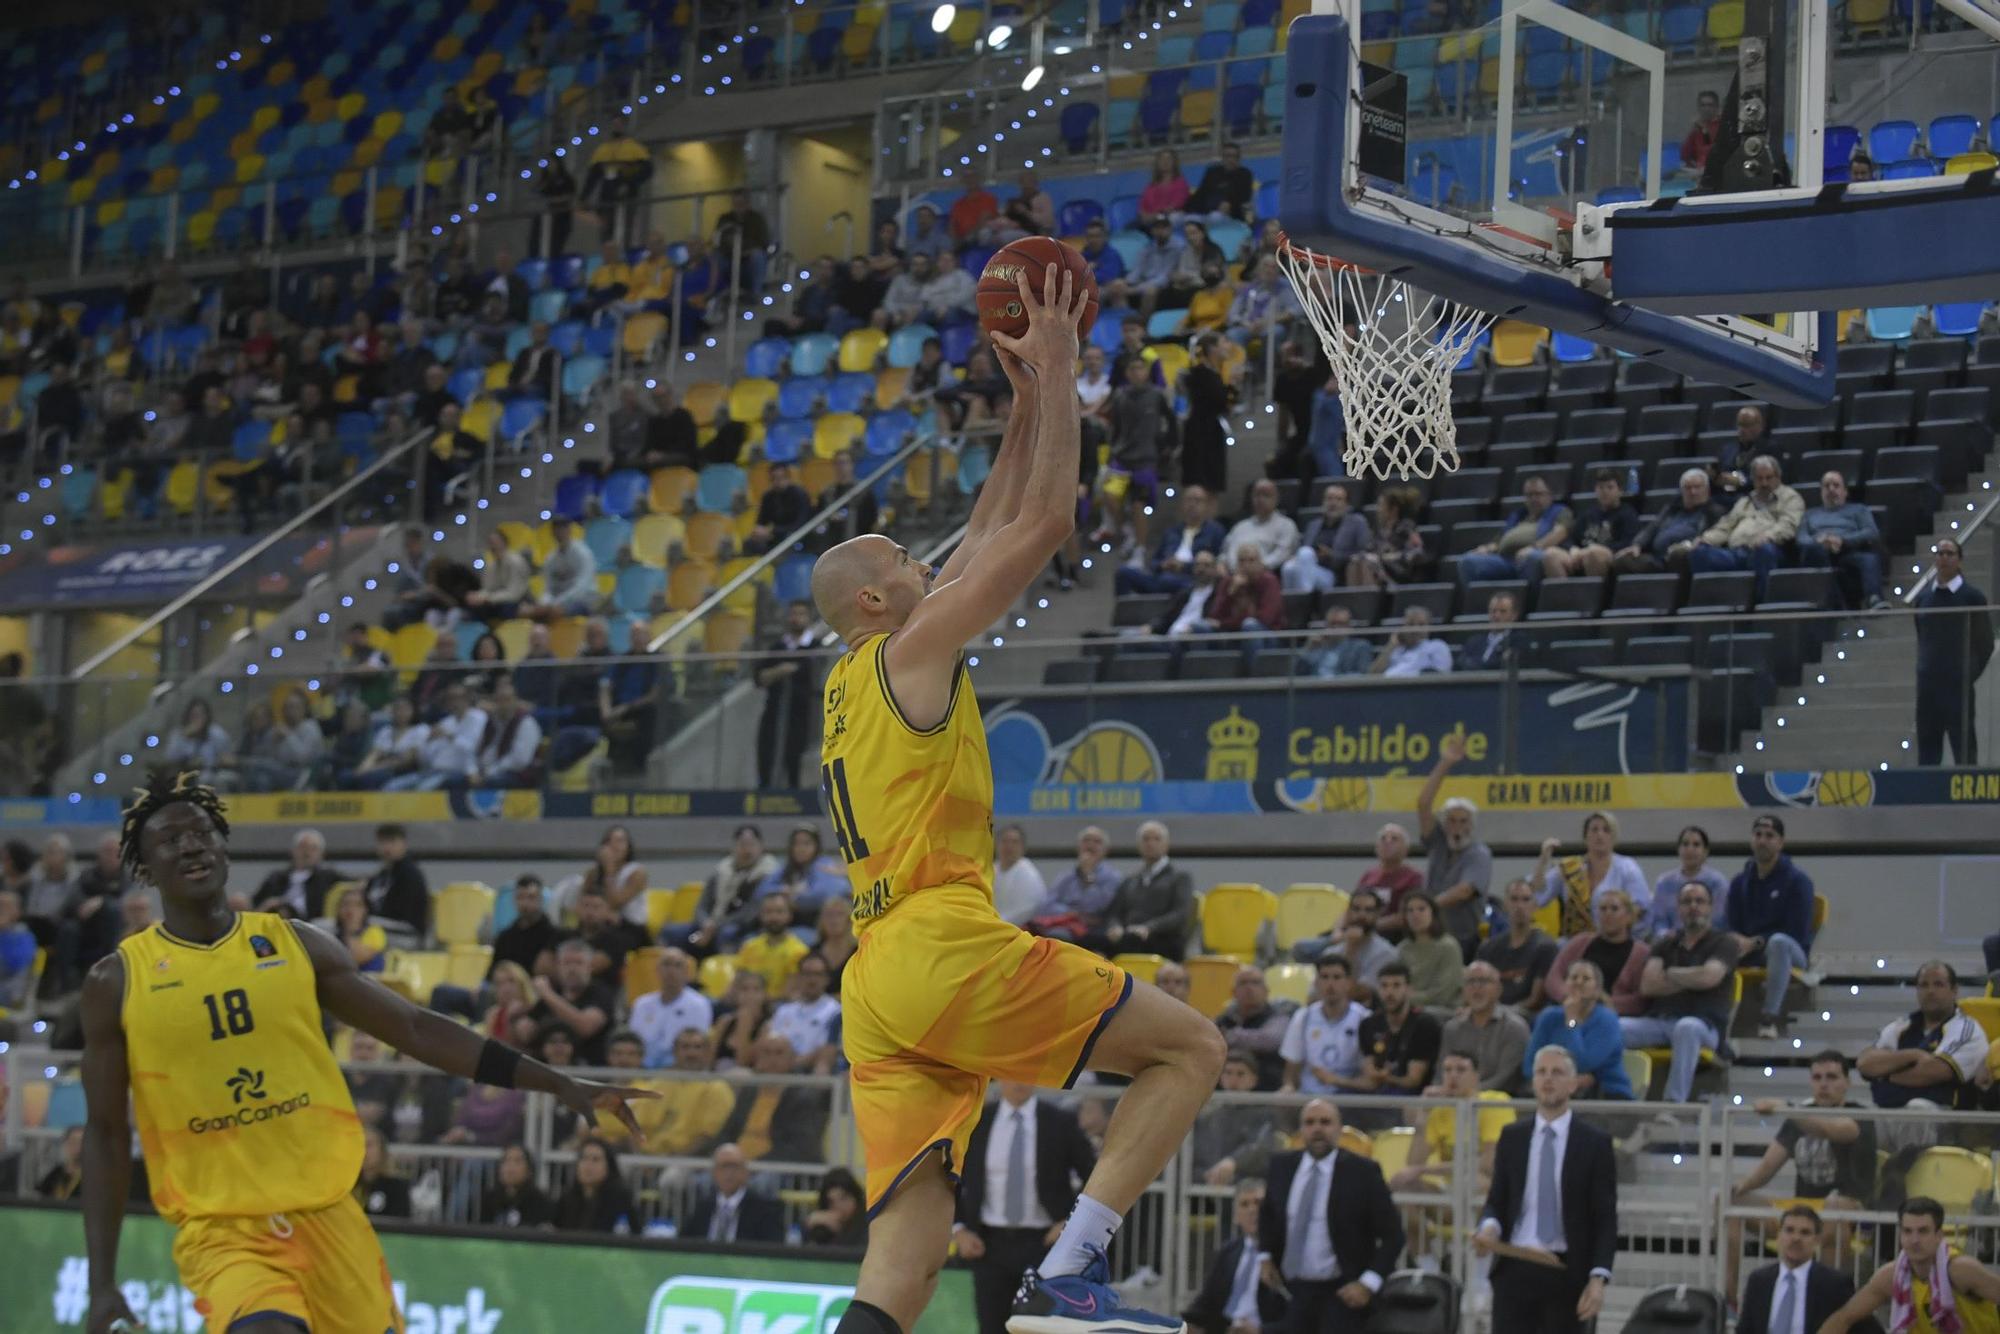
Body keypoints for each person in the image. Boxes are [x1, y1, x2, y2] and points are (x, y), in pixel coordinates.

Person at [809, 264, 1224, 1334]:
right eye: (906, 557)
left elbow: (987, 521)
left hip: (876, 974)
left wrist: (1029, 398)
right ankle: (1066, 1274)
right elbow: (1035, 526)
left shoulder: (850, 679)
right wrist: (1068, 372)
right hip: (943, 940)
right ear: (873, 596)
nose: (926, 559)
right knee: (1190, 1049)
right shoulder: (912, 646)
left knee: (905, 1232)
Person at [78, 770, 648, 1334]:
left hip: (330, 1218)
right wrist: (101, 1284)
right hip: (223, 1230)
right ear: (144, 868)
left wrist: (556, 1081)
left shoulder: (293, 944)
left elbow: (416, 1029)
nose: (192, 846)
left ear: (225, 850)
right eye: (171, 840)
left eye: (202, 833)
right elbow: (104, 1134)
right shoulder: (118, 982)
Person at [1475, 1046, 1618, 1334]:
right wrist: (1490, 1226)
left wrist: (1598, 1278)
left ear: (1573, 1084)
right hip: (1515, 1267)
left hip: (1567, 1271)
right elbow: (1497, 1199)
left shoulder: (1595, 1143)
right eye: (1541, 1072)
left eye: (1557, 1072)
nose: (1548, 1079)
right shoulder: (1513, 1136)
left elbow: (1605, 1216)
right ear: (1532, 1081)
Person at [953, 1082, 1100, 1334]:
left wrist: (1071, 1221)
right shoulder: (978, 1122)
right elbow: (953, 1177)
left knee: (1041, 1325)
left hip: (1044, 1243)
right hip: (989, 1244)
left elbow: (1094, 1176)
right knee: (991, 1325)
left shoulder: (1059, 1122)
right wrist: (959, 1228)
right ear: (999, 1077)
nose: (1019, 1081)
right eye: (1013, 1074)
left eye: (1027, 1074)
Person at [1728, 1052, 1877, 1299]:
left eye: (1831, 1077)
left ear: (1847, 1083)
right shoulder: (1798, 1116)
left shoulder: (1860, 1116)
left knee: (1833, 1208)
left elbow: (1830, 1129)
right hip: (1803, 1214)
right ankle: (1729, 1301)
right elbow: (1766, 1169)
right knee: (1729, 1201)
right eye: (1817, 1077)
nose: (1824, 1084)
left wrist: (1785, 1108)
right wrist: (1742, 1186)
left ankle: (1826, 1305)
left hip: (1852, 1213)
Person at [1259, 1098, 1404, 1334]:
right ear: (1301, 1129)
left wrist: (1368, 1284)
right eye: (1310, 1122)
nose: (1317, 1128)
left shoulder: (1363, 1172)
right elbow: (1268, 1216)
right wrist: (1264, 1256)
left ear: (1339, 1129)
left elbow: (1393, 1236)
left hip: (1342, 1292)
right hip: (1290, 1291)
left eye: (1325, 1122)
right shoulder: (1281, 1166)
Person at [1620, 880, 1740, 1104]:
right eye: (1686, 901)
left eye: (1699, 901)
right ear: (1679, 909)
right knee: (1614, 1027)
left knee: (1687, 1027)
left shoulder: (1725, 943)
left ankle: (1674, 1104)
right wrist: (1695, 978)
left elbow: (1709, 977)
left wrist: (1671, 972)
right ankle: (1619, 1097)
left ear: (1710, 907)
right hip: (1661, 1022)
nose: (1693, 906)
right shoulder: (1665, 943)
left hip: (1705, 1025)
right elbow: (1648, 985)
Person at [1821, 1197, 2000, 1334]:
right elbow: (1844, 1317)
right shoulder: (1890, 1276)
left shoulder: (1960, 1270)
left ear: (1939, 1235)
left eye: (1923, 1231)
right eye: (1908, 1231)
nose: (1914, 1240)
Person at [1725, 814, 1818, 1038]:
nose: (1762, 841)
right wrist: (1735, 939)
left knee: (1778, 943)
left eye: (1769, 836)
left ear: (1780, 842)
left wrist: (1756, 941)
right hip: (1748, 950)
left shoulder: (1798, 881)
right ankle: (1716, 1026)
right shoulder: (1739, 883)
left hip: (1790, 951)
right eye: (1758, 835)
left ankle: (1769, 1018)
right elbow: (1731, 922)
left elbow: (1797, 932)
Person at [1859, 960, 1990, 1111]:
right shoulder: (1901, 1026)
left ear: (1954, 990)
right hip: (1889, 1109)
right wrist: (1913, 1055)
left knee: (1918, 1107)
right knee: (1869, 1114)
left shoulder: (1968, 1029)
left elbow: (1935, 1070)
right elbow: (1865, 1063)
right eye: (1924, 985)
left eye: (1938, 984)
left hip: (1948, 1121)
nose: (1930, 991)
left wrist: (1885, 1077)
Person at [1914, 538, 1994, 766]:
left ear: (1959, 560)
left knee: (1964, 747)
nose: (1944, 558)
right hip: (1928, 685)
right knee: (1928, 748)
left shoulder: (1972, 597)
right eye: (1939, 553)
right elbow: (1922, 636)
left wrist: (1967, 674)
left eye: (1949, 553)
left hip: (1958, 686)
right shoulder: (1924, 599)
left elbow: (1985, 643)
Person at [1414, 734, 1492, 959]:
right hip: (1429, 932)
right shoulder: (1438, 842)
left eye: (1463, 821)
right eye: (1451, 820)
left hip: (1463, 939)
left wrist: (1425, 907)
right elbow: (1423, 804)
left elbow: (1465, 891)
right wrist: (1445, 763)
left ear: (1472, 825)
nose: (1457, 827)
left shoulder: (1478, 853)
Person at [1390, 1050, 1511, 1194]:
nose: (1453, 1075)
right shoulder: (1439, 1110)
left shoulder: (1494, 1102)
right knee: (1403, 1184)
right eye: (1447, 1070)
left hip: (1491, 1187)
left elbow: (1487, 1164)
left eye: (1461, 1070)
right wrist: (1423, 1114)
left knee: (1473, 1182)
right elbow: (1414, 1162)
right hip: (1451, 1190)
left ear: (1476, 1076)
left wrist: (1423, 1170)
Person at [1684, 454, 1803, 596]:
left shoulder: (1790, 497)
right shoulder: (1745, 501)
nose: (1764, 483)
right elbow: (1725, 527)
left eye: (1769, 478)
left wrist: (1768, 536)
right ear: (1753, 480)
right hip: (1736, 552)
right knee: (1699, 553)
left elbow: (1788, 525)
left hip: (1770, 550)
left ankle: (1760, 607)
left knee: (1765, 551)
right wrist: (1705, 539)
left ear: (1778, 477)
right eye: (1759, 478)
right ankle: (1716, 604)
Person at [1735, 1205, 1864, 1334]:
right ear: (1779, 1236)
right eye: (1789, 1230)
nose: (1796, 1238)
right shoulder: (1759, 1280)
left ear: (1817, 1240)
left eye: (1805, 1232)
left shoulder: (1835, 1284)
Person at [1182, 1177, 1288, 1334]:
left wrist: (1261, 1331)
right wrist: (1182, 1325)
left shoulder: (1285, 1253)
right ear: (1236, 1216)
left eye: (1258, 1202)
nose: (1252, 1210)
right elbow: (1205, 1302)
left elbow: (1299, 1317)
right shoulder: (1228, 1252)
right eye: (1244, 1204)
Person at [1530, 810, 1648, 939]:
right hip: (1574, 944)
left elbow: (1640, 909)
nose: (1599, 835)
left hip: (1615, 941)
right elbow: (1536, 894)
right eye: (1594, 830)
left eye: (1606, 830)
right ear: (1585, 836)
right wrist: (1543, 861)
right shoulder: (1570, 867)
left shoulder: (1628, 867)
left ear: (1614, 837)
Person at [1524, 960, 1632, 1100]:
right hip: (1553, 1092)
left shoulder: (1607, 1020)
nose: (1578, 982)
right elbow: (1529, 1065)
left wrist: (1571, 1021)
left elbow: (1581, 1064)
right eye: (1573, 977)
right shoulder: (1548, 1017)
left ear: (1597, 990)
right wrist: (1559, 1080)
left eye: (1586, 979)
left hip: (1606, 1094)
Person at [1544, 888, 1651, 1017]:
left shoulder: (1641, 953)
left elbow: (1641, 999)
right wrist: (1569, 995)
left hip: (1610, 1016)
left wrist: (1602, 1003)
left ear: (1628, 916)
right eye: (1603, 909)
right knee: (1551, 1018)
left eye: (1614, 909)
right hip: (1571, 1008)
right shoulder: (1580, 942)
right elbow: (1553, 977)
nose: (1608, 913)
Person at [1280, 955, 1371, 1095]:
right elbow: (1291, 1071)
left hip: (1349, 1098)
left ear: (1349, 983)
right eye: (1324, 977)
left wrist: (1335, 1080)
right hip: (1307, 1098)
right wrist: (1288, 1087)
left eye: (1337, 977)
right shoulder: (1303, 1017)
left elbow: (1369, 1080)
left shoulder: (1364, 1019)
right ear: (1316, 982)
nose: (1330, 984)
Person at [1102, 821, 1195, 959]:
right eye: (1145, 839)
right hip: (1129, 937)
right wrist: (1115, 927)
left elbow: (1180, 914)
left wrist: (1149, 927)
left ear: (1166, 844)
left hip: (1164, 940)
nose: (1150, 843)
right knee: (1091, 942)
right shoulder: (1130, 881)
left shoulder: (1180, 877)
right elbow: (1114, 913)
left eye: (1156, 839)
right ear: (1139, 845)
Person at [754, 600, 820, 789]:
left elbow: (808, 672)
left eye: (801, 614)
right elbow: (760, 677)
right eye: (793, 614)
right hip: (774, 710)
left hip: (802, 711)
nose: (796, 619)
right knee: (767, 754)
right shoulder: (777, 647)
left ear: (808, 618)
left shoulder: (815, 646)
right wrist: (782, 670)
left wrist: (778, 672)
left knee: (795, 757)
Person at [1798, 470, 1888, 609]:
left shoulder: (1858, 509)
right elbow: (1801, 538)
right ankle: (1835, 605)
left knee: (1869, 559)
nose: (1831, 489)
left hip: (1848, 551)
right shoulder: (1810, 514)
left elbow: (1871, 532)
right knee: (1812, 552)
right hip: (1819, 553)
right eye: (1826, 486)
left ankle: (1874, 598)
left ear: (1845, 491)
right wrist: (1820, 541)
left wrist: (1842, 540)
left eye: (1836, 485)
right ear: (1821, 491)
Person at [1457, 477, 1573, 584]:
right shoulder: (1518, 515)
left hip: (1536, 555)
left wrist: (1534, 548)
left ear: (1550, 495)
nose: (1533, 499)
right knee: (1467, 561)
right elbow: (1500, 540)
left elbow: (1560, 532)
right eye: (1529, 495)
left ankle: (1529, 604)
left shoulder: (1559, 511)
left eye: (1538, 494)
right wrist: (1487, 549)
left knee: (1532, 558)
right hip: (1505, 560)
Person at [1613, 468, 1727, 575]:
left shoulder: (1714, 512)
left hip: (1684, 556)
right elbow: (1652, 528)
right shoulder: (1672, 508)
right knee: (1621, 561)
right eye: (1688, 488)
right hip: (1657, 558)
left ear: (1707, 490)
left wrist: (1687, 546)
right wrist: (1637, 545)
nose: (1693, 492)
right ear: (1681, 491)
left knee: (1678, 555)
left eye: (1697, 487)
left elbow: (1709, 537)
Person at [1442, 962, 1531, 1095]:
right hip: (1457, 1100)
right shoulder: (1452, 1028)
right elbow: (1441, 1073)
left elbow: (1505, 1079)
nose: (1476, 987)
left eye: (1484, 981)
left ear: (1499, 989)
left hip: (1499, 1104)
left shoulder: (1514, 1027)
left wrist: (1469, 1093)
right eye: (1471, 981)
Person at [1027, 825, 1122, 948]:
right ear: (1078, 847)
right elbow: (1046, 906)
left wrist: (1088, 875)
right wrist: (1068, 913)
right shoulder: (1066, 877)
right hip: (1063, 925)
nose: (1090, 845)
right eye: (1086, 840)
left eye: (1097, 842)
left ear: (1106, 850)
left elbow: (1098, 907)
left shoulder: (1113, 878)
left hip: (1093, 930)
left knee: (1057, 938)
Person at [1476, 878, 1560, 1013]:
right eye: (1514, 899)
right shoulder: (1488, 948)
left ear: (1534, 905)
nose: (1520, 906)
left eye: (1526, 899)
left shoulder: (1546, 947)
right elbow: (1478, 989)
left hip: (1526, 1017)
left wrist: (1501, 1013)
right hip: (1489, 1014)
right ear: (1505, 904)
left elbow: (1535, 1000)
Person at [1541, 470, 1640, 579]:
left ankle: (1594, 594)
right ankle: (1564, 594)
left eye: (1610, 487)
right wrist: (1573, 549)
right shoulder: (1588, 514)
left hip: (1609, 555)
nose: (1604, 492)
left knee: (1593, 553)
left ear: (1620, 491)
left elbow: (1627, 543)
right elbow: (1569, 538)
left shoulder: (1627, 513)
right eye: (1600, 487)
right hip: (1582, 554)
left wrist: (1590, 550)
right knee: (1550, 554)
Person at [1217, 966, 1298, 1091]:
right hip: (1224, 1094)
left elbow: (1270, 1040)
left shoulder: (1279, 1016)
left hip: (1267, 1094)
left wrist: (1229, 1036)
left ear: (1266, 991)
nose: (1249, 988)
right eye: (1243, 983)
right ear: (1233, 993)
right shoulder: (1224, 1019)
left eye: (1255, 983)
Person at [1644, 826, 1732, 942]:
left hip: (1708, 942)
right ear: (1678, 849)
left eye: (1696, 845)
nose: (1690, 849)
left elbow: (1720, 922)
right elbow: (1658, 921)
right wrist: (1665, 934)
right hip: (1672, 943)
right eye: (1685, 844)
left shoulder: (1717, 882)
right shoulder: (1664, 882)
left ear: (1705, 851)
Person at [628, 947, 713, 1067]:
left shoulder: (699, 1004)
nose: (671, 970)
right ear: (657, 970)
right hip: (641, 1068)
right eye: (666, 964)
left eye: (677, 965)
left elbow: (697, 1045)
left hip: (680, 1070)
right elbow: (634, 1041)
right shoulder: (641, 1004)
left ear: (687, 972)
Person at [685, 1142, 787, 1242]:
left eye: (734, 1166)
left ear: (745, 1172)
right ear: (714, 1172)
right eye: (724, 1166)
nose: (729, 1173)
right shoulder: (702, 1208)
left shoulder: (765, 1211)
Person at [1283, 482, 1370, 596]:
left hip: (1336, 574)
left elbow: (1363, 552)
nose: (1333, 503)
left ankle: (1304, 600)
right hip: (1312, 568)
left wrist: (1332, 555)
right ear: (1323, 502)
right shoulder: (1313, 524)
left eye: (1338, 499)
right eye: (1329, 499)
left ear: (1346, 504)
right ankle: (1294, 603)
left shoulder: (1356, 522)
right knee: (1289, 567)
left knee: (1305, 553)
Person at [1180, 333, 1237, 495]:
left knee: (1213, 485)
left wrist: (1232, 386)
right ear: (1212, 348)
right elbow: (1220, 402)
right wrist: (1231, 387)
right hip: (1201, 433)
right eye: (1224, 341)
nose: (1229, 346)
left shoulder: (1214, 374)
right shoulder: (1200, 373)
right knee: (1200, 484)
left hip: (1211, 431)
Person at [250, 829, 342, 920]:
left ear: (321, 854)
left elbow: (352, 886)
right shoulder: (276, 878)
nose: (307, 852)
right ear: (293, 850)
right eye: (303, 847)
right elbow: (255, 903)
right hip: (276, 923)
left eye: (313, 848)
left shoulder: (329, 877)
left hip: (312, 927)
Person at [555, 1136, 637, 1233]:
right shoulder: (567, 1198)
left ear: (609, 1166)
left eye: (595, 1159)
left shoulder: (620, 1200)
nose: (588, 1165)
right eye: (584, 1158)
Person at [1397, 894, 1464, 1010]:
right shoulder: (1403, 948)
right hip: (1408, 1009)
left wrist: (1408, 997)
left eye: (1421, 909)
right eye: (1410, 910)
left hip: (1442, 1011)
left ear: (1433, 913)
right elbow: (1397, 985)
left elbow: (1443, 994)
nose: (1415, 915)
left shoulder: (1448, 946)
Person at [481, 1143, 554, 1228]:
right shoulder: (489, 1199)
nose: (510, 1167)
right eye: (506, 1161)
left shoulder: (541, 1202)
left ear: (529, 1170)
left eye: (517, 1161)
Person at [1371, 607, 1452, 677]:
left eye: (1421, 625)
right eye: (1410, 624)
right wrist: (1391, 645)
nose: (1415, 629)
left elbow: (1442, 677)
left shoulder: (1437, 646)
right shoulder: (1396, 649)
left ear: (1429, 627)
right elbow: (1372, 675)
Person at [991, 824, 1046, 927]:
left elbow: (1027, 909)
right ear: (996, 845)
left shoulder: (1029, 873)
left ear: (1023, 847)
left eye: (1014, 842)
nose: (1009, 846)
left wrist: (998, 923)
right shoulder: (991, 870)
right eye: (1004, 841)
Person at [1457, 591, 1521, 672]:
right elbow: (1460, 663)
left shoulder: (1518, 641)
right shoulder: (1474, 641)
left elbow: (1501, 666)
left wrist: (1474, 664)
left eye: (1503, 611)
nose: (1496, 616)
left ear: (1514, 615)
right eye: (1493, 611)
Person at [807, 1167, 870, 1247]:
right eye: (831, 1201)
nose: (838, 1206)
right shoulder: (823, 1224)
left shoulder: (867, 1221)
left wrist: (841, 1232)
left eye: (843, 1198)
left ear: (856, 1198)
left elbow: (851, 1251)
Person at [1681, 90, 1723, 173]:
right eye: (1703, 105)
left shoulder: (1722, 126)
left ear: (1717, 107)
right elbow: (1685, 155)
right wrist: (1694, 130)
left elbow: (1714, 152)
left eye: (1710, 105)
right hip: (1698, 172)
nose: (1706, 109)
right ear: (1699, 108)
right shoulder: (1697, 129)